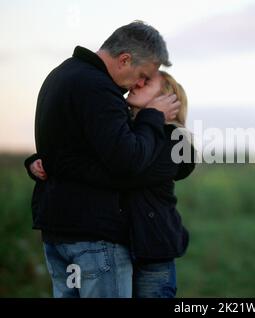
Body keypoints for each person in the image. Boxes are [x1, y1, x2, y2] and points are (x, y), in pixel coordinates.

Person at [25, 20, 181, 298]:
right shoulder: (98, 88)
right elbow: (128, 163)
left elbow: (75, 149)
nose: (140, 83)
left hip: (58, 234)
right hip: (92, 237)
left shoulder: (61, 75)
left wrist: (47, 163)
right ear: (125, 59)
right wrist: (152, 116)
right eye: (142, 75)